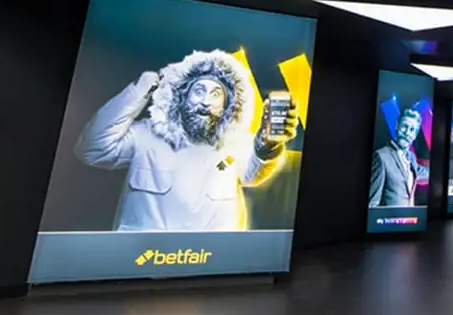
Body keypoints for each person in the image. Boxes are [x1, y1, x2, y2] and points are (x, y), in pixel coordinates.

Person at [75, 49, 296, 231]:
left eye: (216, 94)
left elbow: (252, 175)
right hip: (144, 260)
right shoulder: (146, 134)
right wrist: (138, 91)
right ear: (181, 97)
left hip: (215, 262)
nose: (206, 102)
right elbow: (92, 150)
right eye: (199, 91)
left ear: (228, 106)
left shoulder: (235, 142)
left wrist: (267, 146)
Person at [369, 102, 426, 207]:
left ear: (415, 136)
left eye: (412, 130)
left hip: (410, 217)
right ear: (397, 126)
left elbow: (424, 172)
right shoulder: (381, 157)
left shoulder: (411, 158)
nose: (407, 133)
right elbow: (372, 204)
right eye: (405, 126)